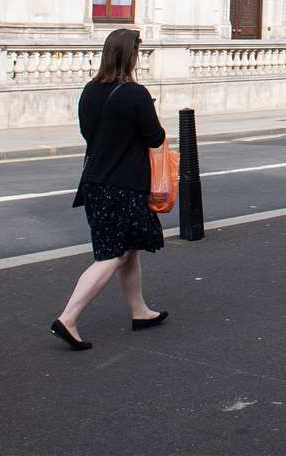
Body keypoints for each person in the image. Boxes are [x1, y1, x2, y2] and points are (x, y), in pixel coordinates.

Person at [52, 28, 169, 351]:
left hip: (94, 183)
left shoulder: (89, 91)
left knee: (127, 248)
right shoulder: (135, 93)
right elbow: (155, 137)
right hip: (124, 186)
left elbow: (88, 133)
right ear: (130, 56)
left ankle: (139, 310)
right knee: (112, 254)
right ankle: (68, 317)